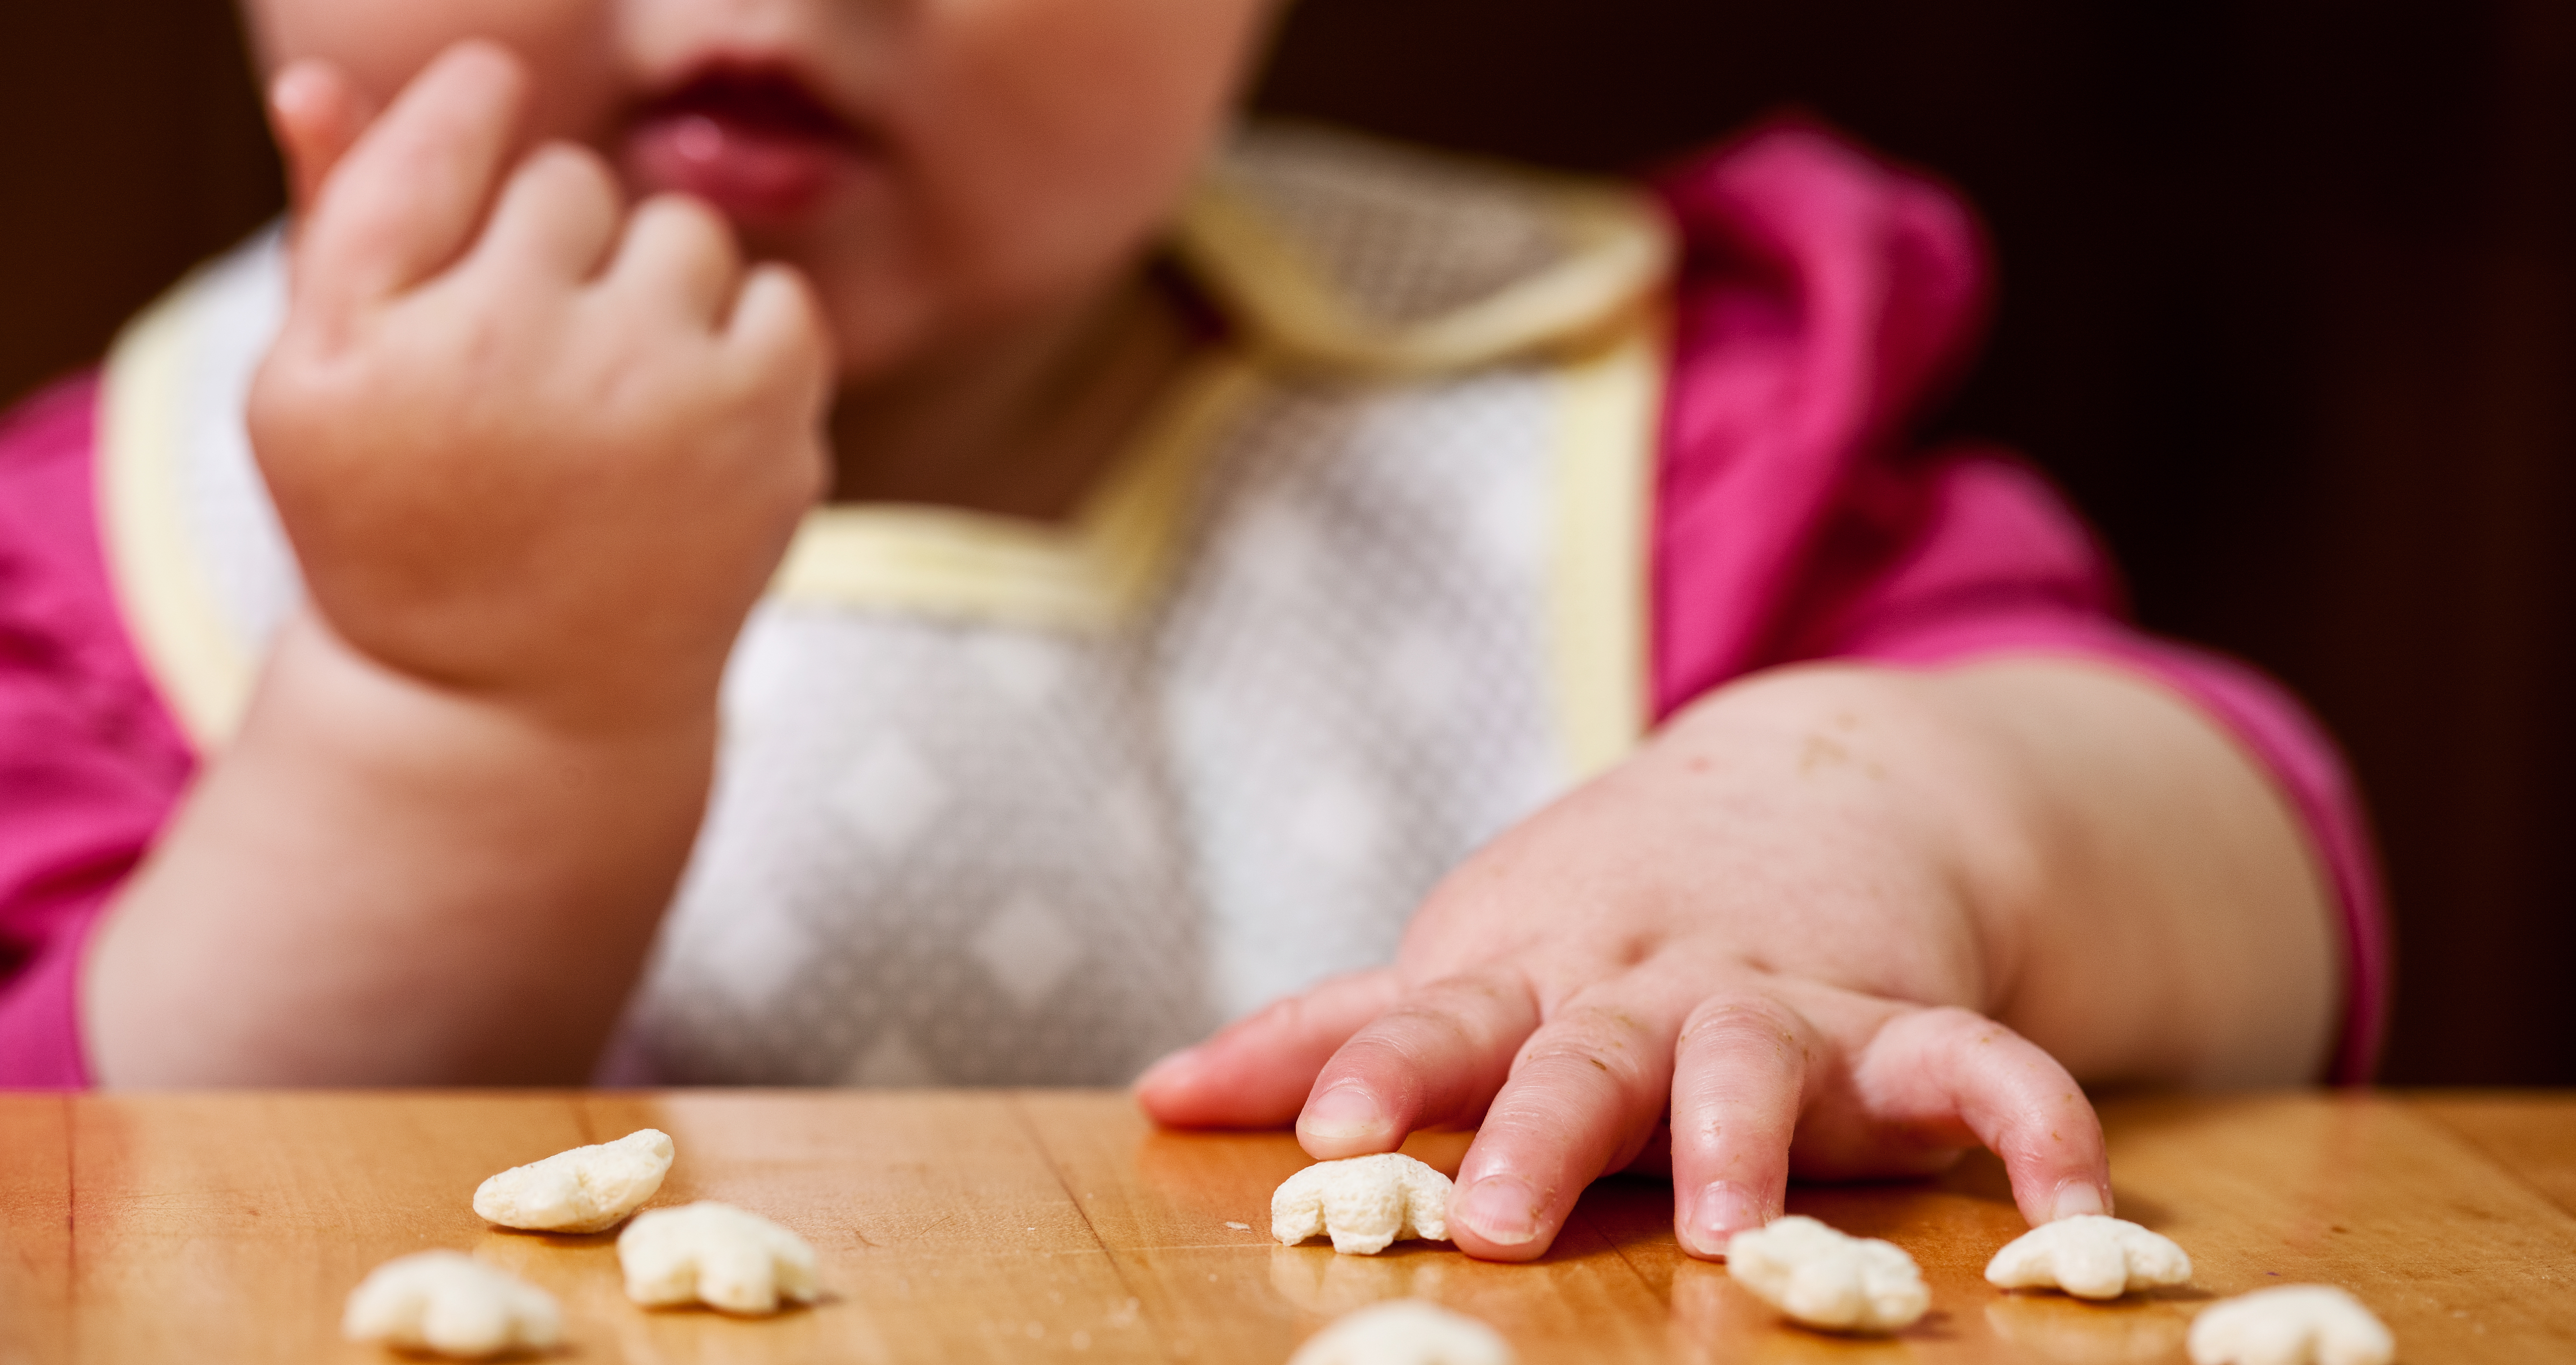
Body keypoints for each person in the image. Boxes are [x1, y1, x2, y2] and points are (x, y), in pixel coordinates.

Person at [0, 1, 2382, 1266]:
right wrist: (454, 708)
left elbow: (2262, 888)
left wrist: (1861, 836)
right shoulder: (118, 553)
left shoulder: (1619, 438)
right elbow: (97, 1255)